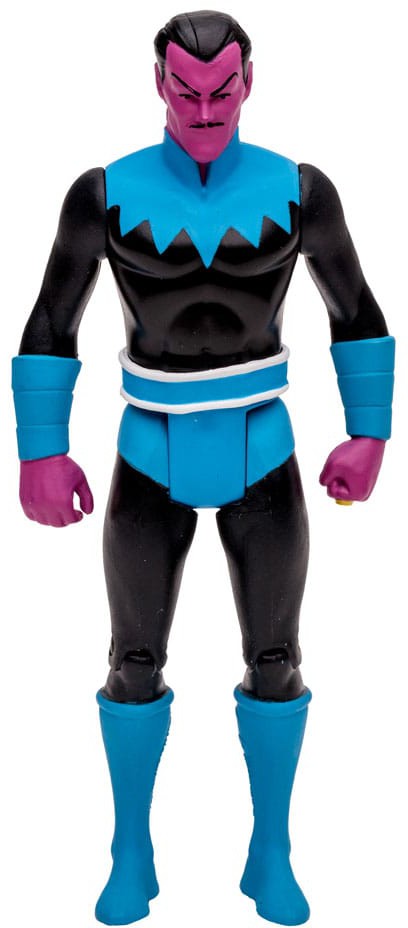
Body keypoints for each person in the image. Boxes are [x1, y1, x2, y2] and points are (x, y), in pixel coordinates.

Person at [12, 10, 394, 927]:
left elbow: (356, 309)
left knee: (278, 658)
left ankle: (272, 851)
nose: (206, 109)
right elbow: (52, 319)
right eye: (187, 91)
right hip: (149, 450)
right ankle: (130, 850)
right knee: (132, 659)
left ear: (249, 82)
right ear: (159, 84)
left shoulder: (299, 191)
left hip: (266, 449)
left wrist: (370, 431)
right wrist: (40, 449)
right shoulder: (104, 194)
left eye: (222, 91)